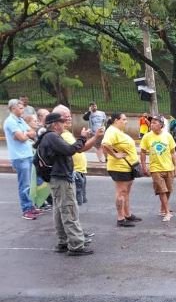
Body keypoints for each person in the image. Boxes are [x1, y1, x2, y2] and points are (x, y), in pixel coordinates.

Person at [36, 112, 103, 255]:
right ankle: (76, 245)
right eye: (61, 121)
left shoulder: (47, 137)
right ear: (55, 124)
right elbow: (70, 150)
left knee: (60, 210)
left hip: (56, 177)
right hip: (61, 177)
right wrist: (83, 138)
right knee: (68, 210)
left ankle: (63, 241)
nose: (64, 124)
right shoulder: (52, 137)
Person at [101, 112, 142, 227]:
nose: (126, 121)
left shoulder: (118, 132)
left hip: (128, 166)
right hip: (119, 167)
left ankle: (127, 214)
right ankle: (120, 218)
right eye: (123, 119)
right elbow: (105, 145)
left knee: (126, 191)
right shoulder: (112, 131)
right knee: (121, 192)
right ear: (116, 120)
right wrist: (115, 155)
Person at [4, 99, 39, 220]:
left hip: (27, 154)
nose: (23, 110)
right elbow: (22, 138)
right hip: (19, 157)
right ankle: (26, 209)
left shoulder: (20, 120)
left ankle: (30, 206)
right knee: (24, 184)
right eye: (20, 108)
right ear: (13, 108)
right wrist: (25, 134)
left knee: (29, 183)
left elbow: (32, 132)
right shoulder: (10, 121)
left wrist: (25, 134)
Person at [140, 115, 176, 222]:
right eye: (151, 122)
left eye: (155, 123)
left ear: (161, 125)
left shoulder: (168, 136)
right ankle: (167, 212)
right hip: (155, 169)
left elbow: (173, 152)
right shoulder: (147, 137)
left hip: (169, 167)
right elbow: (143, 152)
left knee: (168, 190)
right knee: (162, 191)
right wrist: (144, 166)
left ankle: (163, 208)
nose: (152, 124)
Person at [54, 105, 90, 206]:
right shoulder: (59, 135)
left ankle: (72, 217)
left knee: (76, 200)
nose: (69, 118)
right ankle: (71, 219)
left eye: (70, 115)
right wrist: (94, 137)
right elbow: (79, 149)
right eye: (66, 116)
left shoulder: (66, 133)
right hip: (72, 172)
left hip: (78, 171)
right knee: (72, 202)